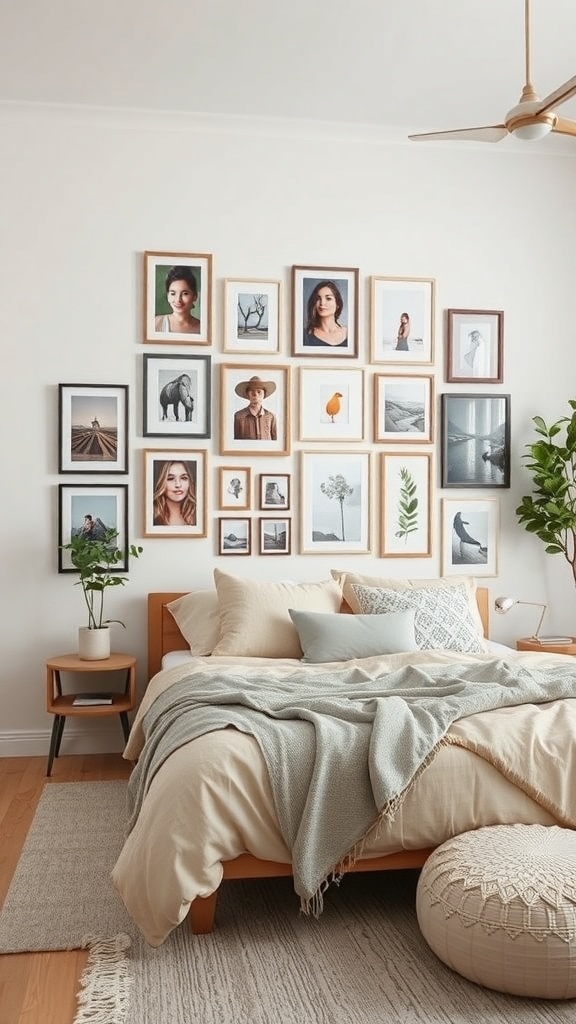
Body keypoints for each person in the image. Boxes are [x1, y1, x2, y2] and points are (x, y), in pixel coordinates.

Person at [154, 266, 201, 334]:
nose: (178, 300)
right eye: (173, 293)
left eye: (185, 293)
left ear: (195, 296)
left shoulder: (203, 328)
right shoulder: (156, 323)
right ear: (168, 296)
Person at [303, 280, 347, 347]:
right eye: (318, 299)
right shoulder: (305, 335)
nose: (322, 303)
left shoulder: (349, 333)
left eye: (328, 298)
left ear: (338, 304)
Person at [233, 375, 277, 441]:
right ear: (248, 394)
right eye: (252, 392)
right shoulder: (238, 416)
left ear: (264, 394)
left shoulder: (271, 416)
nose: (255, 395)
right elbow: (236, 442)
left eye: (259, 392)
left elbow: (275, 442)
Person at [153, 460, 197, 526]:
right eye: (170, 478)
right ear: (161, 482)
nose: (178, 485)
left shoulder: (198, 513)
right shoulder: (152, 514)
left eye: (183, 478)